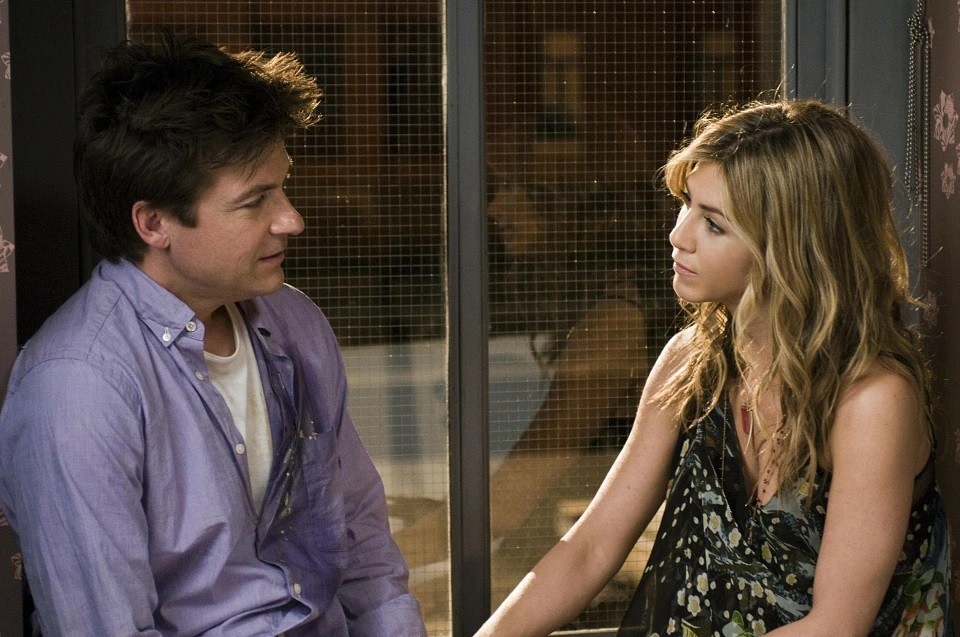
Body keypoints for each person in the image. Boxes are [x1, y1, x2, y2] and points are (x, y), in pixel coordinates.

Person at [475, 99, 951, 636]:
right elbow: (589, 549)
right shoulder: (690, 361)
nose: (679, 235)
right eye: (686, 205)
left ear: (792, 249)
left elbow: (834, 627)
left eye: (714, 224)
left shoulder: (873, 401)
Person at [0, 35, 425, 636]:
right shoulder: (77, 387)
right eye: (254, 202)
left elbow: (363, 544)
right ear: (154, 223)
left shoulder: (294, 322)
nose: (292, 219)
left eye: (283, 187)